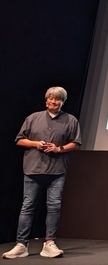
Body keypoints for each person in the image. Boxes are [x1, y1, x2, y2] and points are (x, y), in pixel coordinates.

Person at [2, 87, 81, 260]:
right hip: (33, 169)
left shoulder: (71, 120)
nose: (53, 102)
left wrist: (59, 148)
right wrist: (36, 144)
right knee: (28, 206)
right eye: (51, 98)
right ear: (46, 100)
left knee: (54, 206)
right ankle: (21, 245)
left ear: (62, 102)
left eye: (57, 99)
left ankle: (49, 244)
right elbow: (19, 140)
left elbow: (75, 142)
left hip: (56, 171)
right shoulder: (32, 118)